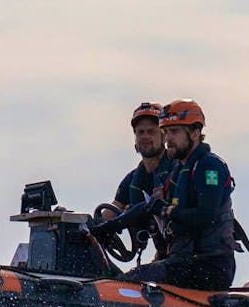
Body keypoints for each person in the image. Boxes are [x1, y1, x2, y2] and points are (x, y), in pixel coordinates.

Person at [95, 99, 236, 290]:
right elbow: (147, 208)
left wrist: (168, 210)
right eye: (167, 131)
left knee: (131, 282)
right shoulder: (178, 171)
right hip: (182, 261)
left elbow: (206, 216)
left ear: (195, 133)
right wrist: (105, 228)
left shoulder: (209, 167)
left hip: (210, 264)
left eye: (175, 131)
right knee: (128, 278)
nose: (169, 138)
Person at [103, 102, 172, 218]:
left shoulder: (176, 171)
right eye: (140, 132)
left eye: (151, 131)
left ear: (164, 136)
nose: (145, 136)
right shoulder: (132, 179)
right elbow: (109, 214)